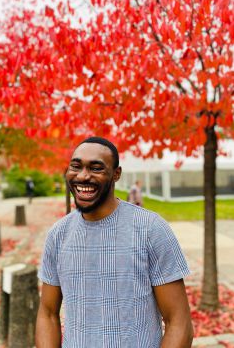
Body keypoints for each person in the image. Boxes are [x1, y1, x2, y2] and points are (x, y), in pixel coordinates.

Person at [36, 137, 193, 348]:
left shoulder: (151, 229)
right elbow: (48, 314)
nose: (83, 175)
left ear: (116, 174)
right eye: (76, 166)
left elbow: (179, 322)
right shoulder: (58, 234)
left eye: (96, 168)